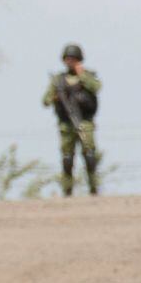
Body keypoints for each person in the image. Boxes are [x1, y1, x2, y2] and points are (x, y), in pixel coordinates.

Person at [41, 43, 101, 195]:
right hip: (66, 124)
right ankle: (67, 191)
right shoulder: (58, 80)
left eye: (73, 59)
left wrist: (82, 75)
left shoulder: (88, 76)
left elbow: (96, 87)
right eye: (68, 59)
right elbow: (45, 100)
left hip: (85, 123)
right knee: (67, 158)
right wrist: (56, 97)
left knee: (89, 156)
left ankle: (93, 188)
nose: (70, 62)